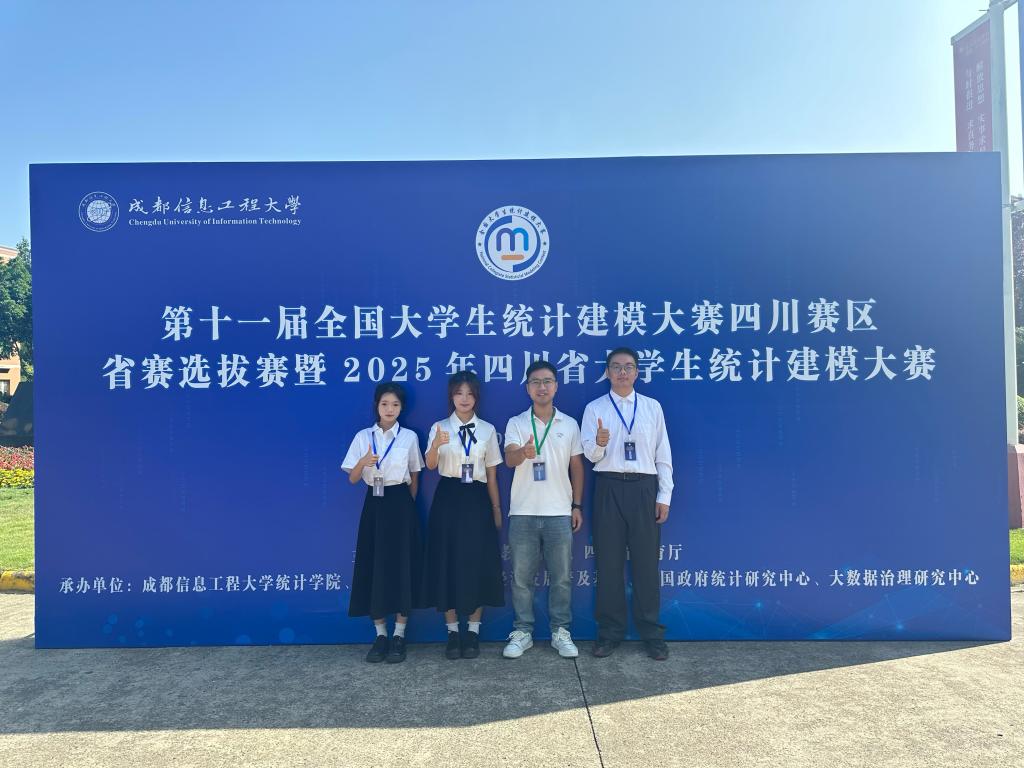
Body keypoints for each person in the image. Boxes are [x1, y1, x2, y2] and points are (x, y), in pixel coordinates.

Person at [580, 347, 674, 660]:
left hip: (644, 488)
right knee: (608, 564)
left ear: (637, 372)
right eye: (616, 367)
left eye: (628, 367)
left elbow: (663, 454)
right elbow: (590, 455)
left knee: (646, 564)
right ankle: (609, 632)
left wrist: (664, 495)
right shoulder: (595, 408)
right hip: (608, 487)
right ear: (607, 372)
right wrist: (599, 444)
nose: (622, 372)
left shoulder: (652, 407)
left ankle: (652, 634)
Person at [501, 360, 585, 659]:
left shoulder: (569, 424)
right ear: (527, 388)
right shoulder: (516, 423)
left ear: (556, 386)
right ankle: (522, 631)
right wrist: (522, 453)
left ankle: (560, 631)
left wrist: (576, 505)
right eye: (535, 382)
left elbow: (577, 467)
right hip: (523, 511)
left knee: (561, 578)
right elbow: (509, 459)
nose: (542, 387)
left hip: (559, 512)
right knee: (521, 579)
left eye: (547, 381)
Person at [340, 382, 425, 664]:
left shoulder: (409, 437)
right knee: (373, 565)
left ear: (402, 408)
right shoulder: (363, 436)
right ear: (376, 406)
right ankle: (380, 635)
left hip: (400, 503)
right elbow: (352, 478)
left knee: (402, 566)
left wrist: (408, 506)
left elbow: (415, 475)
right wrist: (364, 461)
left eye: (395, 405)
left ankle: (399, 634)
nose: (390, 409)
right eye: (385, 404)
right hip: (374, 504)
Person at [422, 370, 504, 659]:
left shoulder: (487, 430)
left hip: (477, 498)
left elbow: (491, 475)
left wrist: (496, 509)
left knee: (476, 561)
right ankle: (453, 632)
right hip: (448, 496)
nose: (464, 399)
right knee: (448, 561)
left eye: (470, 394)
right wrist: (435, 446)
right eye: (459, 393)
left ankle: (473, 632)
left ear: (477, 397)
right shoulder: (439, 427)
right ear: (451, 397)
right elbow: (430, 465)